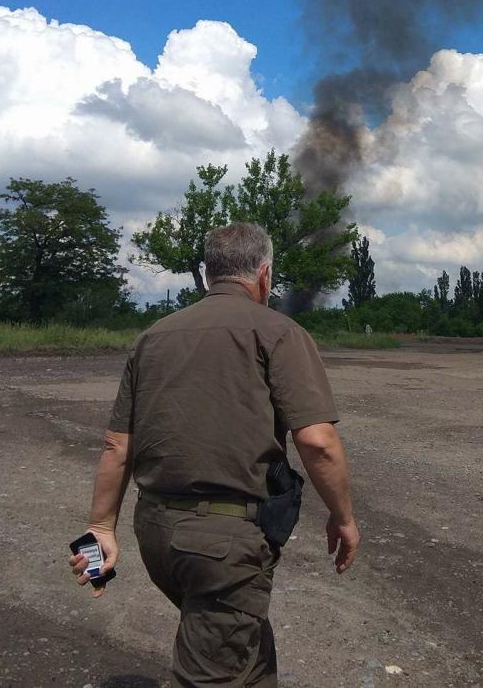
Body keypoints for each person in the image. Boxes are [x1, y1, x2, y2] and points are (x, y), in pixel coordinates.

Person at [68, 222, 360, 687]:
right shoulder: (278, 332)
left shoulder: (153, 336)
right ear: (264, 275)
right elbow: (317, 441)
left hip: (156, 533)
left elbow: (116, 445)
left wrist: (101, 526)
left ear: (208, 274)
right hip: (222, 547)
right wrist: (343, 517)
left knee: (244, 647)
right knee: (214, 667)